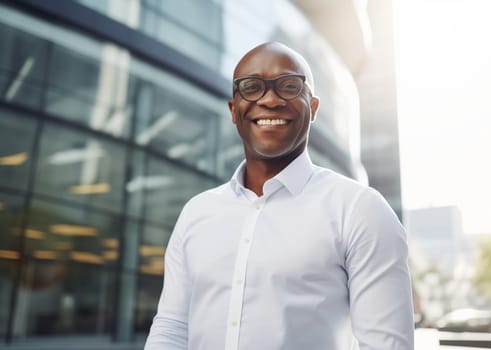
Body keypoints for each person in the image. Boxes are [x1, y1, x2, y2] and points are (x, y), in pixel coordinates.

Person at [144, 42, 414, 350]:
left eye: (288, 86)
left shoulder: (359, 210)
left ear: (312, 108)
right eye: (251, 87)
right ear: (234, 110)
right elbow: (172, 327)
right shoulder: (197, 212)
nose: (270, 99)